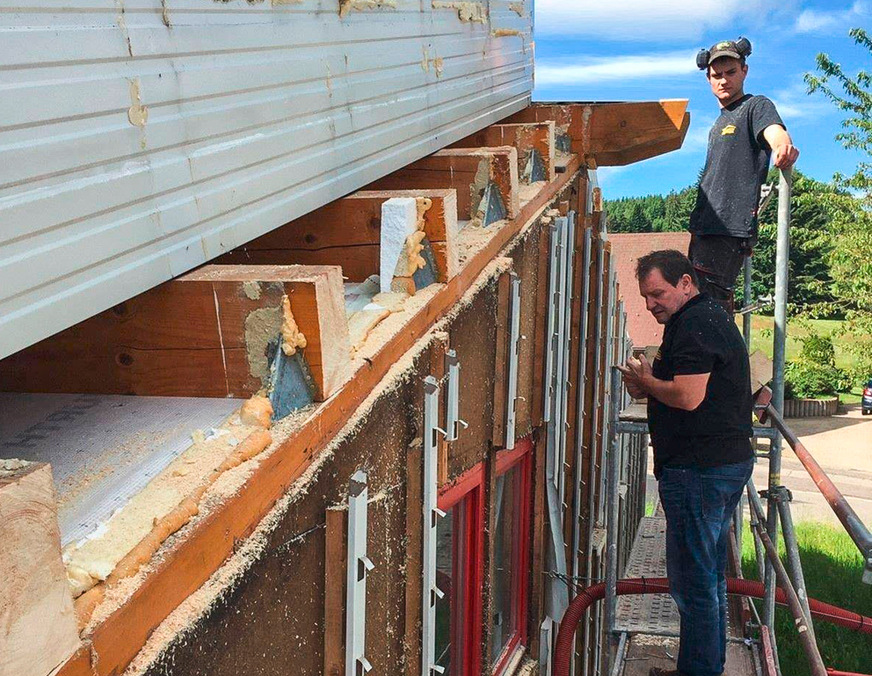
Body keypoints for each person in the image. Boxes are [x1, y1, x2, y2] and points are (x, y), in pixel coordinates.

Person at [618, 250, 754, 676]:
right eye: (644, 297)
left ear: (685, 284)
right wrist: (647, 387)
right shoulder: (698, 319)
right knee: (707, 579)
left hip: (701, 471)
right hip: (713, 467)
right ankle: (703, 667)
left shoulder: (696, 325)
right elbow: (676, 389)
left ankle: (697, 671)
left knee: (694, 584)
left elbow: (688, 397)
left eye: (657, 293)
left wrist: (646, 383)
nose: (650, 304)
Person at [689, 38, 800, 312]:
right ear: (708, 79)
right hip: (706, 226)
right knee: (699, 300)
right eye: (717, 75)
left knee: (707, 305)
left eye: (731, 73)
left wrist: (782, 145)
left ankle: (716, 356)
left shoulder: (755, 107)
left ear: (744, 71)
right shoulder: (718, 123)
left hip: (728, 226)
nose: (723, 80)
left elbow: (773, 130)